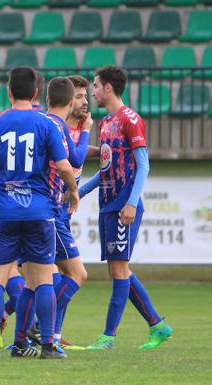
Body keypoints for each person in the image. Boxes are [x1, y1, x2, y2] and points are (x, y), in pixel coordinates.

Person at [0, 67, 79, 360]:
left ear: (8, 91)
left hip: (3, 212)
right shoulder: (46, 124)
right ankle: (47, 347)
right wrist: (74, 191)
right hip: (39, 213)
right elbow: (65, 166)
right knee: (43, 279)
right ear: (35, 94)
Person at [81, 66, 173, 350]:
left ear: (108, 88)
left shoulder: (129, 119)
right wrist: (78, 193)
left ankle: (108, 336)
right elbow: (106, 170)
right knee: (118, 270)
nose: (93, 92)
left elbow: (143, 164)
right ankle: (158, 325)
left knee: (119, 269)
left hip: (123, 204)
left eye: (95, 86)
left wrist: (132, 203)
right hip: (108, 204)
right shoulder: (106, 122)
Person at [44, 77, 92, 349]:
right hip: (51, 213)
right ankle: (43, 328)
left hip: (55, 213)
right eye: (80, 96)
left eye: (87, 96)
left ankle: (51, 334)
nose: (85, 101)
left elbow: (78, 157)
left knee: (46, 280)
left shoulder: (65, 130)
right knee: (73, 275)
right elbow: (73, 159)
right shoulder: (59, 129)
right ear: (68, 100)